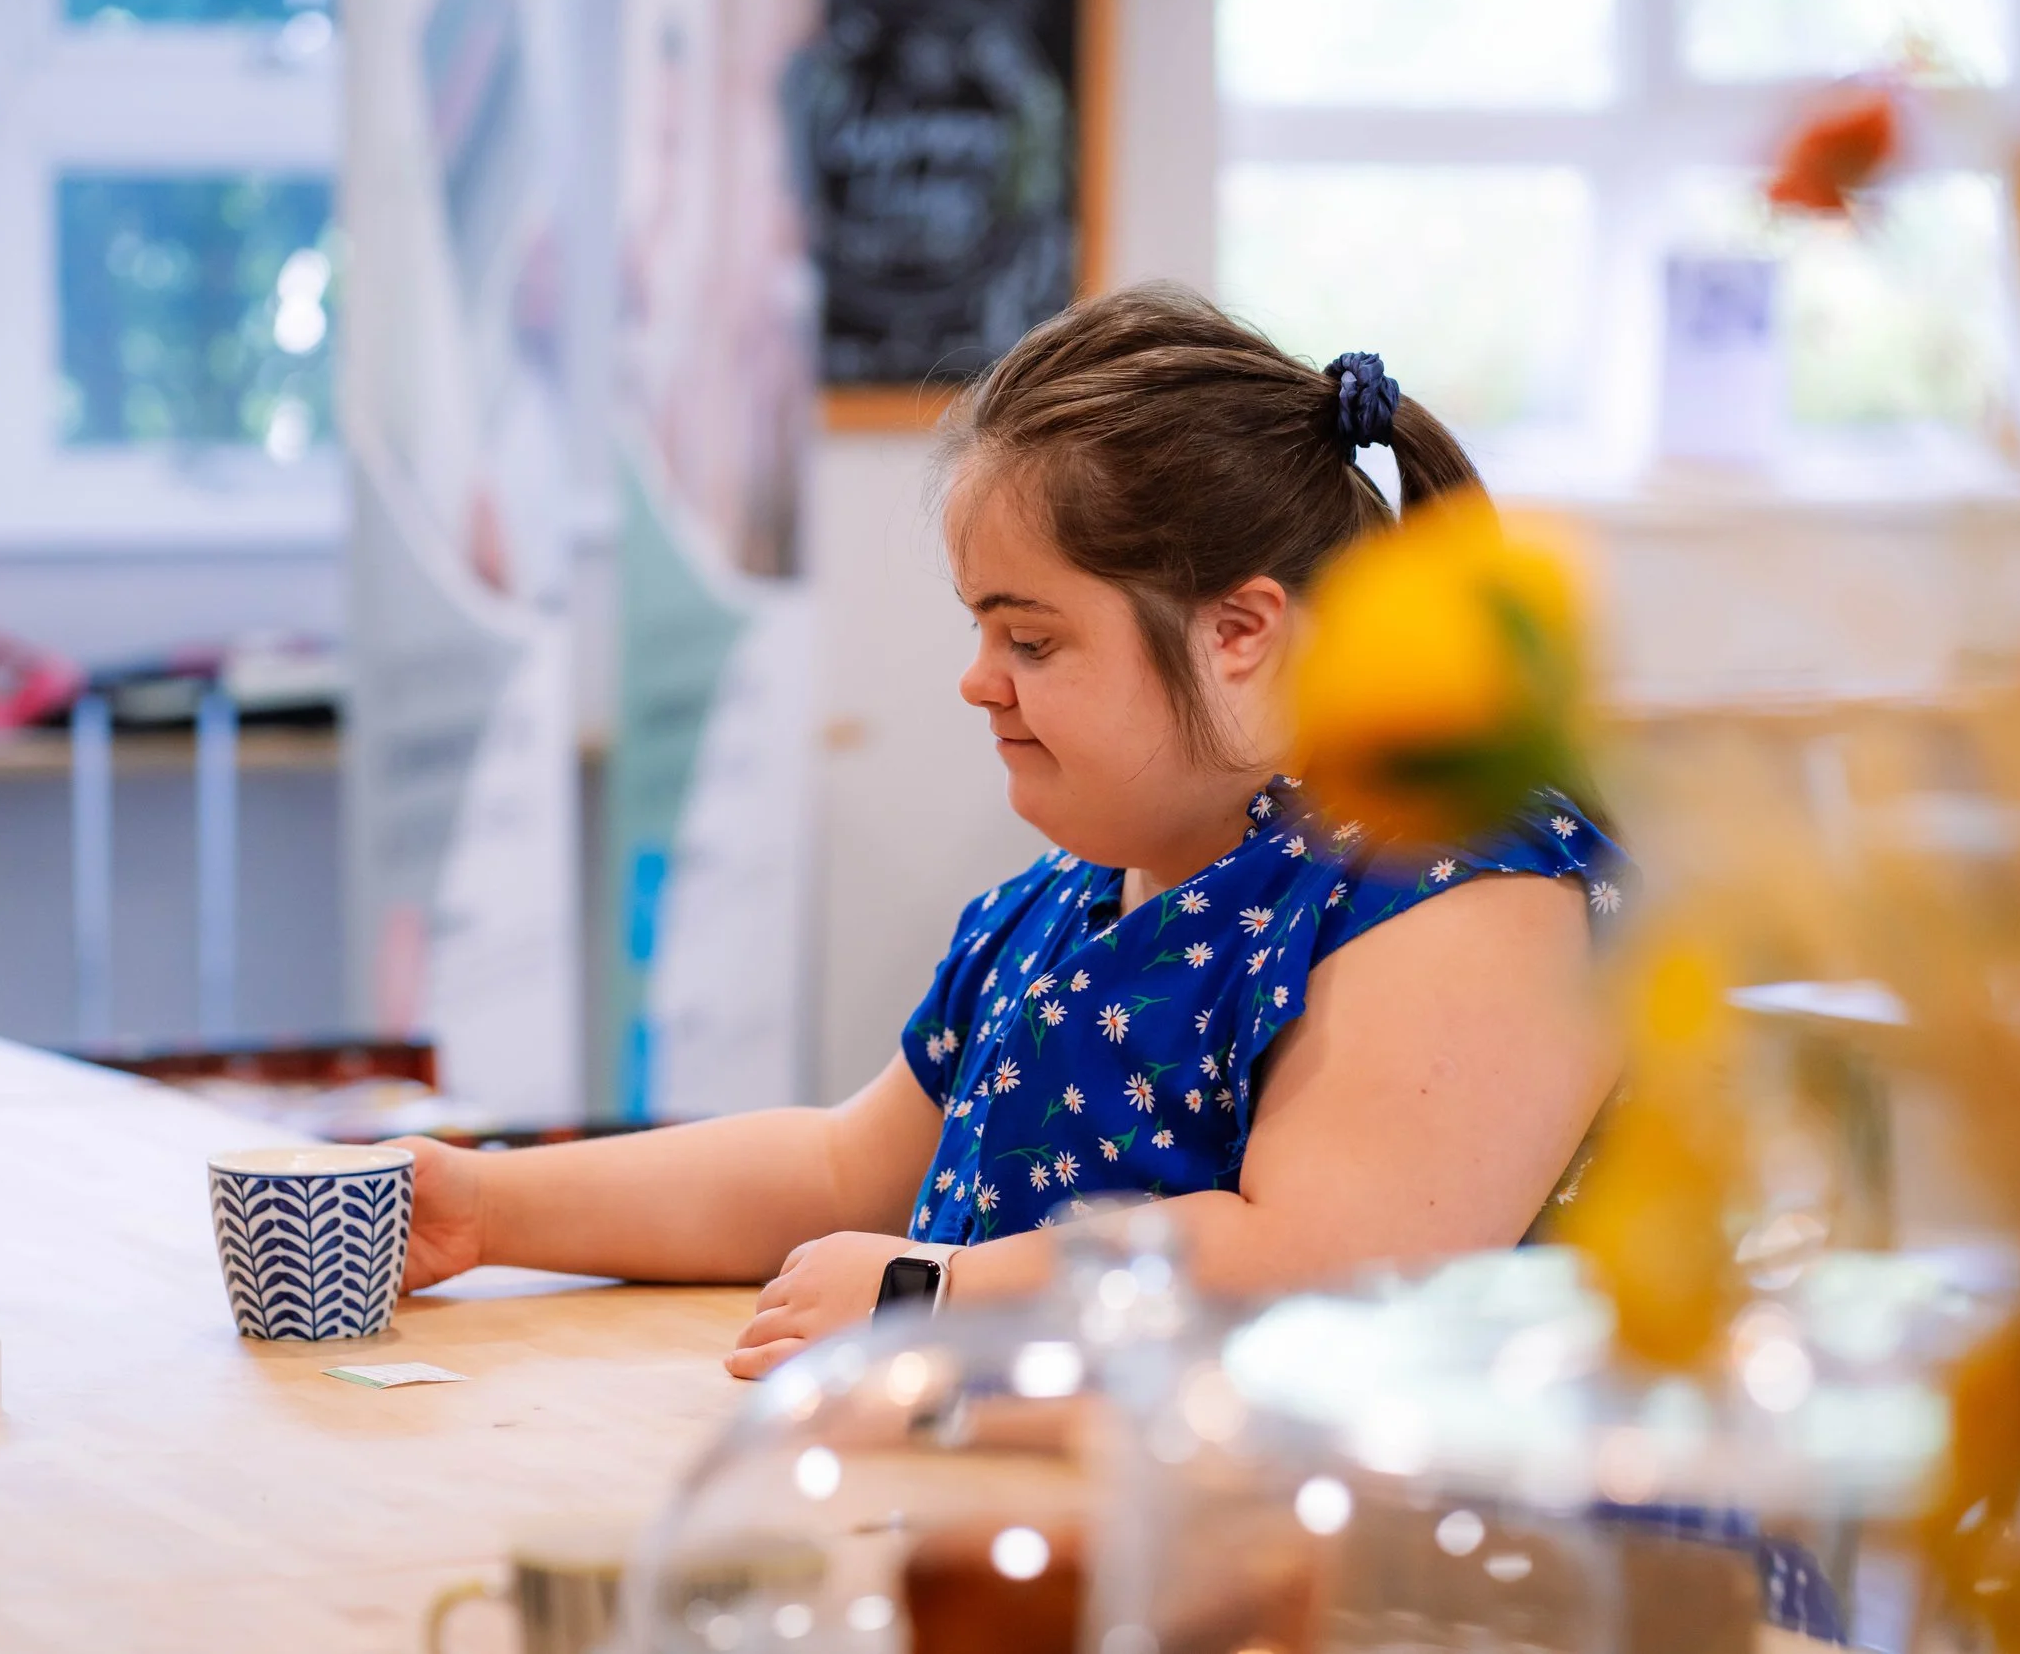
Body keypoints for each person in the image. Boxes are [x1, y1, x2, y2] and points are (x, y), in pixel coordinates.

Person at [393, 284, 1628, 1380]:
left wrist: (929, 1296)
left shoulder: (1459, 883)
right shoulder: (1070, 896)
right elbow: (840, 1170)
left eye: (1030, 639)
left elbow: (1329, 1266)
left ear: (1238, 633)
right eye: (981, 632)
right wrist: (492, 1203)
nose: (979, 680)